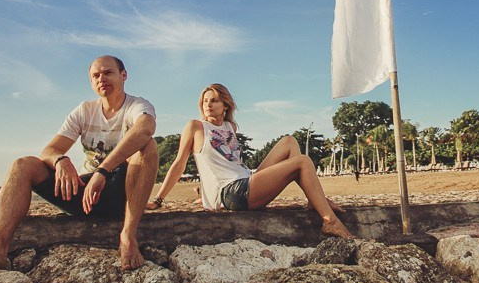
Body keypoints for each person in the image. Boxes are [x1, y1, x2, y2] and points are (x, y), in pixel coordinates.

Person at [0, 55, 159, 273]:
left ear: (123, 75)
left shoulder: (137, 106)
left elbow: (145, 128)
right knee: (23, 164)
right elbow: (49, 150)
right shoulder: (84, 110)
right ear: (91, 81)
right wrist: (60, 160)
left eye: (108, 73)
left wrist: (103, 171)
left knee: (148, 147)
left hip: (124, 195)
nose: (102, 79)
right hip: (84, 197)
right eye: (95, 75)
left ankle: (128, 236)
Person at [148, 83, 353, 239]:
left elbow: (228, 165)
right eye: (205, 101)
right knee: (303, 162)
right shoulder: (196, 127)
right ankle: (329, 220)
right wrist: (158, 200)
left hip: (246, 181)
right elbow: (179, 164)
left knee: (289, 142)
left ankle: (313, 201)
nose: (208, 105)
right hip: (232, 193)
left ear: (225, 106)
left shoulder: (230, 128)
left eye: (214, 100)